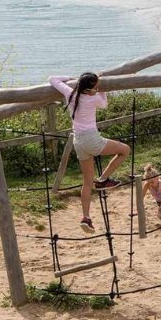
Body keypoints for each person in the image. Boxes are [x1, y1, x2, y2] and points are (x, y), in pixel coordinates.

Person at [49, 74, 130, 233]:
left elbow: (52, 79)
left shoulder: (70, 93)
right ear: (91, 88)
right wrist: (102, 92)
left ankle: (86, 217)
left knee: (87, 182)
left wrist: (71, 77)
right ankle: (103, 180)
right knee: (125, 150)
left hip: (78, 142)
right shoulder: (92, 98)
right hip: (92, 140)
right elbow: (105, 104)